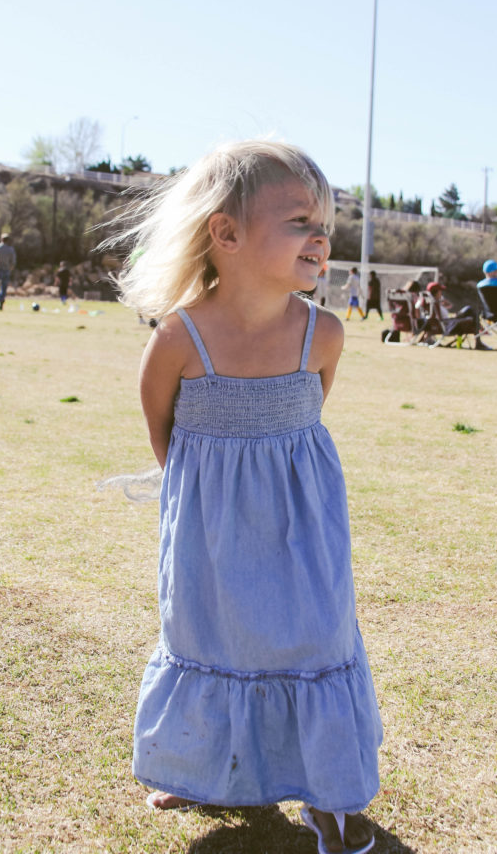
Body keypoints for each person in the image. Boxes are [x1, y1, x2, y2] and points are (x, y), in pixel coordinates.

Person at [108, 140, 382, 854]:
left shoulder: (321, 335)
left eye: (323, 222)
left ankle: (327, 796)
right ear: (225, 234)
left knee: (314, 637)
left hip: (304, 533)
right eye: (297, 220)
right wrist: (206, 504)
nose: (319, 236)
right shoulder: (179, 337)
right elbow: (161, 429)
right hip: (210, 531)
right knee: (210, 636)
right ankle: (200, 767)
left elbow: (305, 422)